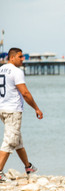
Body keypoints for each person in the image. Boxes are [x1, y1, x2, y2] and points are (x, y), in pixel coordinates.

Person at [0, 48, 43, 182]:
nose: (22, 59)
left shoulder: (1, 69)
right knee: (9, 141)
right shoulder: (16, 72)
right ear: (12, 57)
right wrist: (36, 108)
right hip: (13, 110)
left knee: (16, 140)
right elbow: (25, 93)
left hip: (2, 109)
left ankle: (28, 167)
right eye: (20, 56)